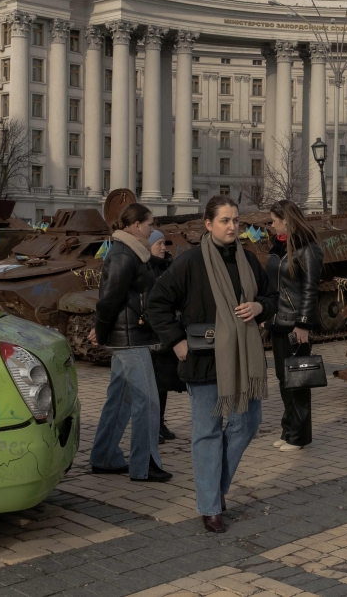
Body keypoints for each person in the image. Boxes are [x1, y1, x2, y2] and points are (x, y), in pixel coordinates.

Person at [148, 195, 277, 533]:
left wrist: (260, 308)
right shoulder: (191, 262)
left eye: (236, 220)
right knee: (206, 433)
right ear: (208, 224)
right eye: (224, 220)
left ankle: (214, 488)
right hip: (204, 360)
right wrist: (175, 341)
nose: (232, 226)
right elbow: (157, 302)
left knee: (248, 422)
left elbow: (271, 296)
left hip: (242, 360)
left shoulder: (248, 260)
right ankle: (210, 505)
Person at [88, 203, 172, 482]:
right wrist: (100, 332)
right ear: (136, 225)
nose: (151, 229)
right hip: (129, 339)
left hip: (127, 336)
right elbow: (109, 299)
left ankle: (105, 456)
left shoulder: (132, 253)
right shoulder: (125, 254)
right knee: (147, 401)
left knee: (120, 399)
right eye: (149, 224)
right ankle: (144, 464)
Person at [266, 200, 323, 452]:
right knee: (283, 378)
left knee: (297, 381)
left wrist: (303, 324)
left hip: (295, 324)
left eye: (273, 220)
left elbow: (311, 289)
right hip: (278, 322)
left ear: (286, 220)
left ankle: (299, 437)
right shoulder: (278, 247)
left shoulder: (308, 248)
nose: (270, 224)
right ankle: (288, 429)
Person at [148, 229, 185, 443]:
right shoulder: (146, 268)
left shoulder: (169, 266)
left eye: (164, 243)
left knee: (163, 382)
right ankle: (152, 424)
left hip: (166, 331)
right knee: (152, 383)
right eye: (159, 244)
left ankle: (160, 422)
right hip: (150, 333)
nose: (163, 248)